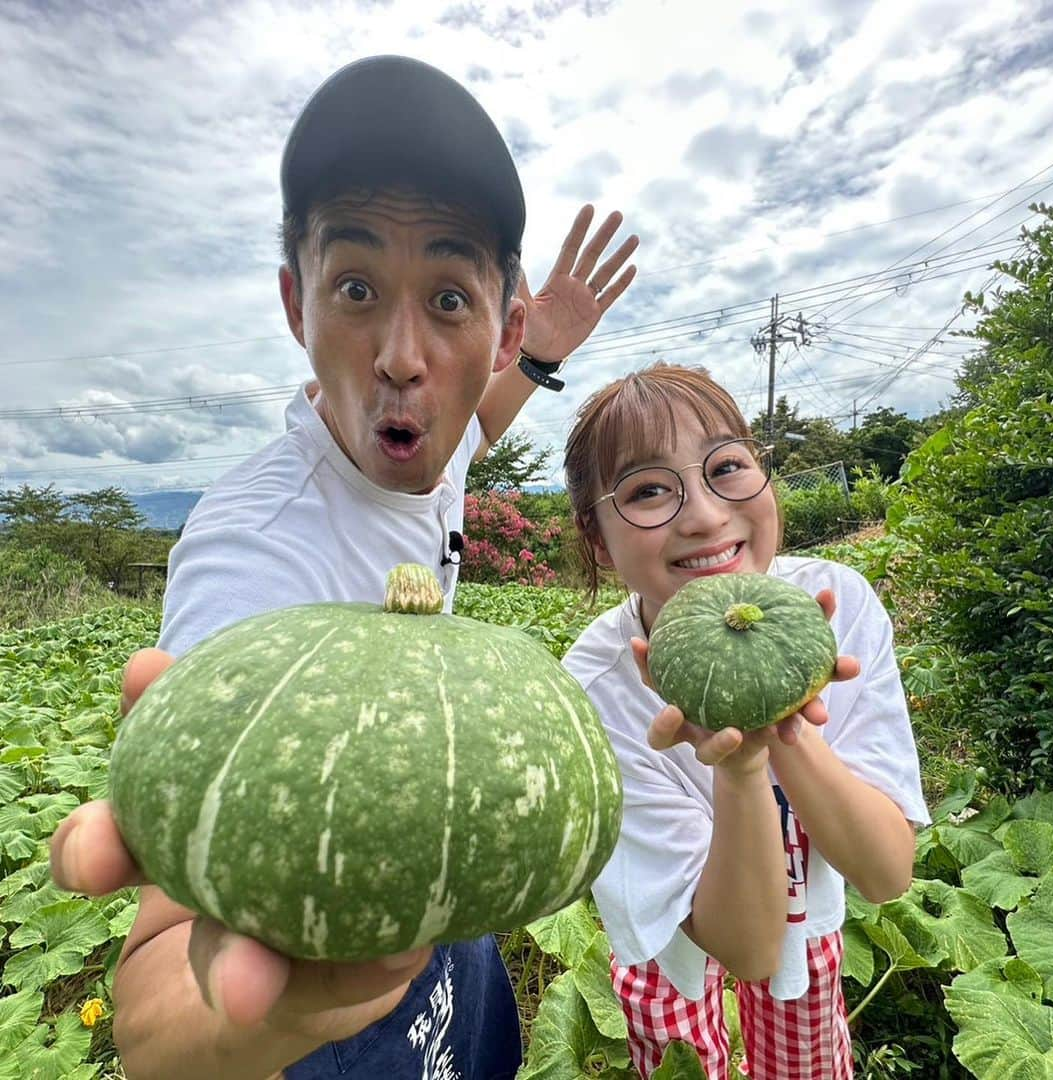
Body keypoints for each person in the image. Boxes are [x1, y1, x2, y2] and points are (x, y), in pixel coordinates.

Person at [49, 55, 638, 1080]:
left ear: (495, 329)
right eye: (357, 287)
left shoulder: (428, 440)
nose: (403, 356)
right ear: (296, 306)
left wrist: (535, 360)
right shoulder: (254, 551)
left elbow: (467, 437)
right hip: (312, 960)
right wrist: (257, 1020)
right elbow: (152, 1013)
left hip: (445, 892)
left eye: (450, 299)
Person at [560, 363, 930, 1079]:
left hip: (805, 901)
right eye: (647, 490)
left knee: (804, 1043)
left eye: (726, 468)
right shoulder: (595, 688)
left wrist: (788, 729)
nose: (702, 513)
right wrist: (739, 770)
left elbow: (886, 874)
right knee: (682, 1056)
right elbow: (746, 949)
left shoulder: (837, 606)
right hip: (679, 940)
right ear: (599, 541)